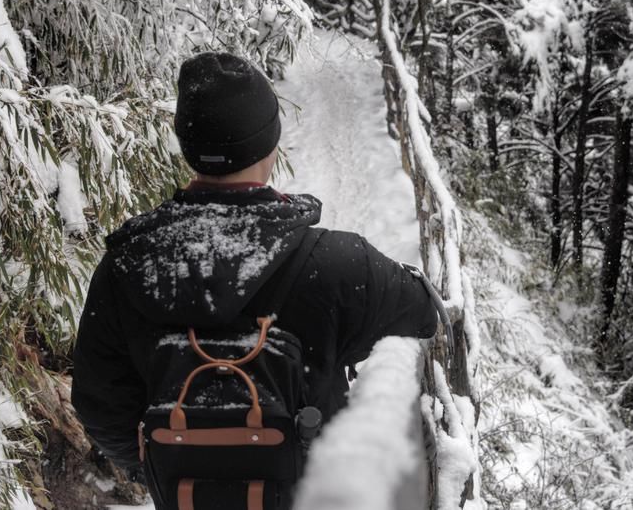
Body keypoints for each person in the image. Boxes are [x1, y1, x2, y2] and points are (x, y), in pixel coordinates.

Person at [71, 51, 438, 506]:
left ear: (186, 143)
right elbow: (424, 314)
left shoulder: (127, 267)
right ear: (272, 142)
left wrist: (163, 466)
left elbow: (99, 404)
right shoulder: (339, 263)